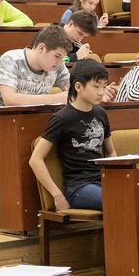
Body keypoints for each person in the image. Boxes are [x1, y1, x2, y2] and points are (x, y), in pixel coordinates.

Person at [0, 25, 72, 226]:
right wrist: (54, 98)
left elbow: (74, 91)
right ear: (42, 48)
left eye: (63, 58)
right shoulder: (11, 59)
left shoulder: (57, 67)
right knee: (11, 151)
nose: (59, 63)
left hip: (30, 129)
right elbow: (10, 99)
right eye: (57, 56)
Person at [29, 60, 116, 211]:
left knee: (134, 196)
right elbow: (35, 159)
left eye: (104, 86)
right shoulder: (62, 118)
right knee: (117, 200)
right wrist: (57, 195)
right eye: (96, 87)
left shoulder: (101, 114)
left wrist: (116, 179)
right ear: (78, 87)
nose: (101, 92)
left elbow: (111, 152)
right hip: (79, 187)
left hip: (103, 180)